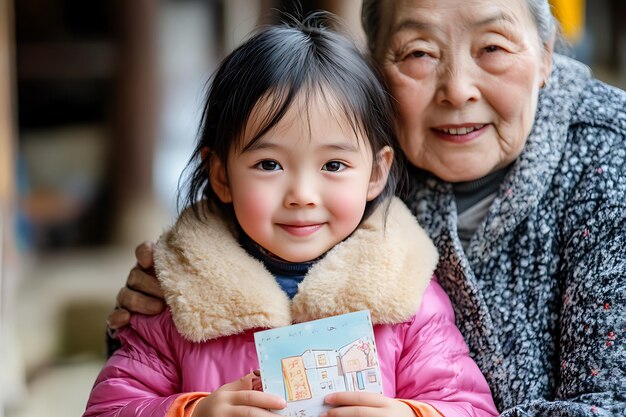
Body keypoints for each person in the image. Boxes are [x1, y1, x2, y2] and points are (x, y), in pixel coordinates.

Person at [108, 0, 626, 415]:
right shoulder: (184, 292)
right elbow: (121, 394)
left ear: (546, 53)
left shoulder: (404, 291)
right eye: (419, 52)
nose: (458, 90)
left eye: (492, 46)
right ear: (378, 64)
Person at [85, 13, 498, 417]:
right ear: (220, 175)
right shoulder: (174, 298)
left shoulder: (407, 299)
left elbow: (471, 407)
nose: (302, 195)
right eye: (269, 164)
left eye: (333, 165)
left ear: (375, 173)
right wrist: (190, 412)